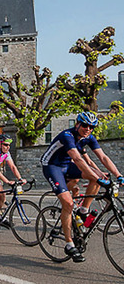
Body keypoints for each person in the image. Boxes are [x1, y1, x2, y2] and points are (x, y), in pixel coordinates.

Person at [40, 111, 123, 263]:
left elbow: (103, 157)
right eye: (85, 125)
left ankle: (84, 210)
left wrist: (118, 175)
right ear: (77, 124)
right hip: (52, 166)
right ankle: (69, 244)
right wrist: (97, 176)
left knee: (97, 180)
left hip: (66, 165)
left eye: (92, 127)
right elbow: (78, 159)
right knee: (68, 204)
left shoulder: (88, 138)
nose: (88, 129)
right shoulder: (67, 136)